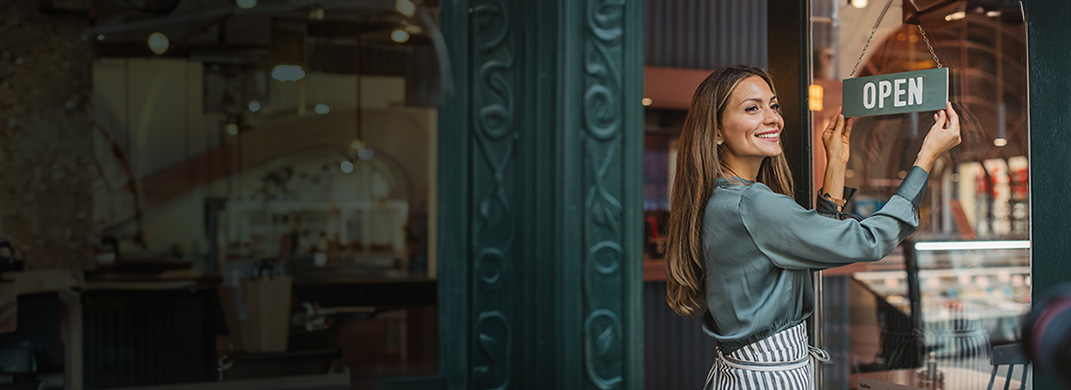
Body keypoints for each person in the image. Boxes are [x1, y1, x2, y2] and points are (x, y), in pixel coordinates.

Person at [663, 65, 961, 389]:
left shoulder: (721, 197)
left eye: (773, 106)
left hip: (741, 371)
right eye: (752, 108)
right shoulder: (753, 204)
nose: (772, 118)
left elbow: (820, 242)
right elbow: (869, 241)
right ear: (716, 131)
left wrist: (835, 164)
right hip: (769, 379)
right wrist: (926, 158)